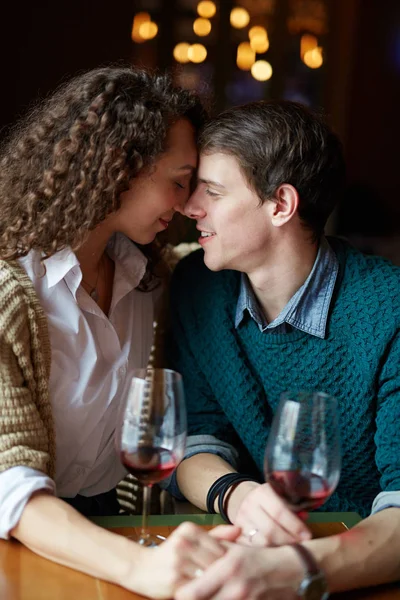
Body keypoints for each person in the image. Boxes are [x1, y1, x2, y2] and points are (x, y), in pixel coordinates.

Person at [0, 66, 240, 599]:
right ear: (119, 168)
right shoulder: (9, 294)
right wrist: (139, 568)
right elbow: (7, 480)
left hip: (112, 529)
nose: (184, 204)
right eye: (179, 181)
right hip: (24, 543)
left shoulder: (150, 277)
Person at [168, 100, 400, 598]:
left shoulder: (391, 311)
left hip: (363, 575)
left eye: (212, 192)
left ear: (281, 205)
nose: (190, 208)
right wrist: (238, 495)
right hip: (242, 559)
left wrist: (292, 570)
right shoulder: (197, 289)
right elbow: (196, 441)